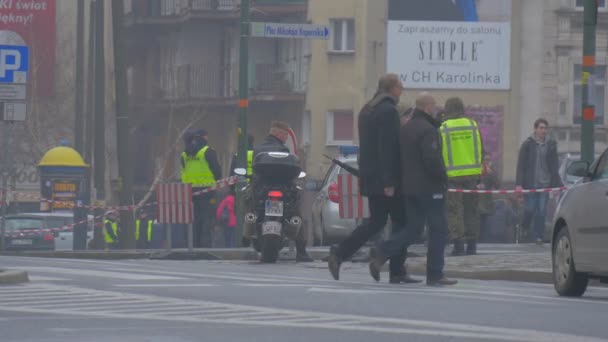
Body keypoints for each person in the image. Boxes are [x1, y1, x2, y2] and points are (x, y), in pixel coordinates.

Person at [327, 74, 420, 284]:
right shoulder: (388, 111)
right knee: (404, 223)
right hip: (387, 179)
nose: (402, 91)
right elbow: (388, 148)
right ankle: (389, 263)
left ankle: (340, 254)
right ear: (392, 88)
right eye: (400, 87)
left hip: (371, 176)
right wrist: (390, 182)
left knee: (376, 222)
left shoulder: (367, 109)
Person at [368, 92, 457, 286]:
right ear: (427, 107)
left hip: (410, 188)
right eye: (434, 106)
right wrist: (443, 178)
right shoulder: (427, 130)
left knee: (414, 228)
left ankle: (383, 250)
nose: (436, 110)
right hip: (430, 187)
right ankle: (435, 274)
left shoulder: (406, 129)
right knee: (438, 229)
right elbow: (432, 159)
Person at [252, 121, 313, 262]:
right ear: (277, 133)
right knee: (295, 214)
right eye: (285, 134)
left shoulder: (258, 150)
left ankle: (248, 234)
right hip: (283, 190)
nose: (286, 137)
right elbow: (291, 173)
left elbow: (254, 173)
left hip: (262, 190)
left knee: (251, 207)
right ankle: (301, 251)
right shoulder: (283, 151)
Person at [440, 97, 484, 256]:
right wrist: (478, 173)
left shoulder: (443, 127)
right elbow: (481, 150)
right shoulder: (473, 125)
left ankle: (458, 246)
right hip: (472, 175)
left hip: (452, 177)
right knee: (471, 210)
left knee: (455, 211)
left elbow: (439, 152)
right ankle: (472, 246)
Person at [515, 118, 562, 244]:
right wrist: (519, 184)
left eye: (545, 128)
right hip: (530, 184)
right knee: (530, 209)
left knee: (541, 211)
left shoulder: (551, 145)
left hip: (544, 184)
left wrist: (556, 185)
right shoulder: (527, 144)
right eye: (541, 128)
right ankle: (524, 226)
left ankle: (538, 236)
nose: (543, 130)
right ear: (535, 129)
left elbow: (554, 167)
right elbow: (521, 166)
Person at [181, 129, 222, 248]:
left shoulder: (184, 154)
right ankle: (205, 245)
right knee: (207, 218)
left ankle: (193, 244)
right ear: (205, 137)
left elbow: (183, 171)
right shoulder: (207, 151)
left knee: (194, 218)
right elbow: (217, 171)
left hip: (190, 191)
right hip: (206, 190)